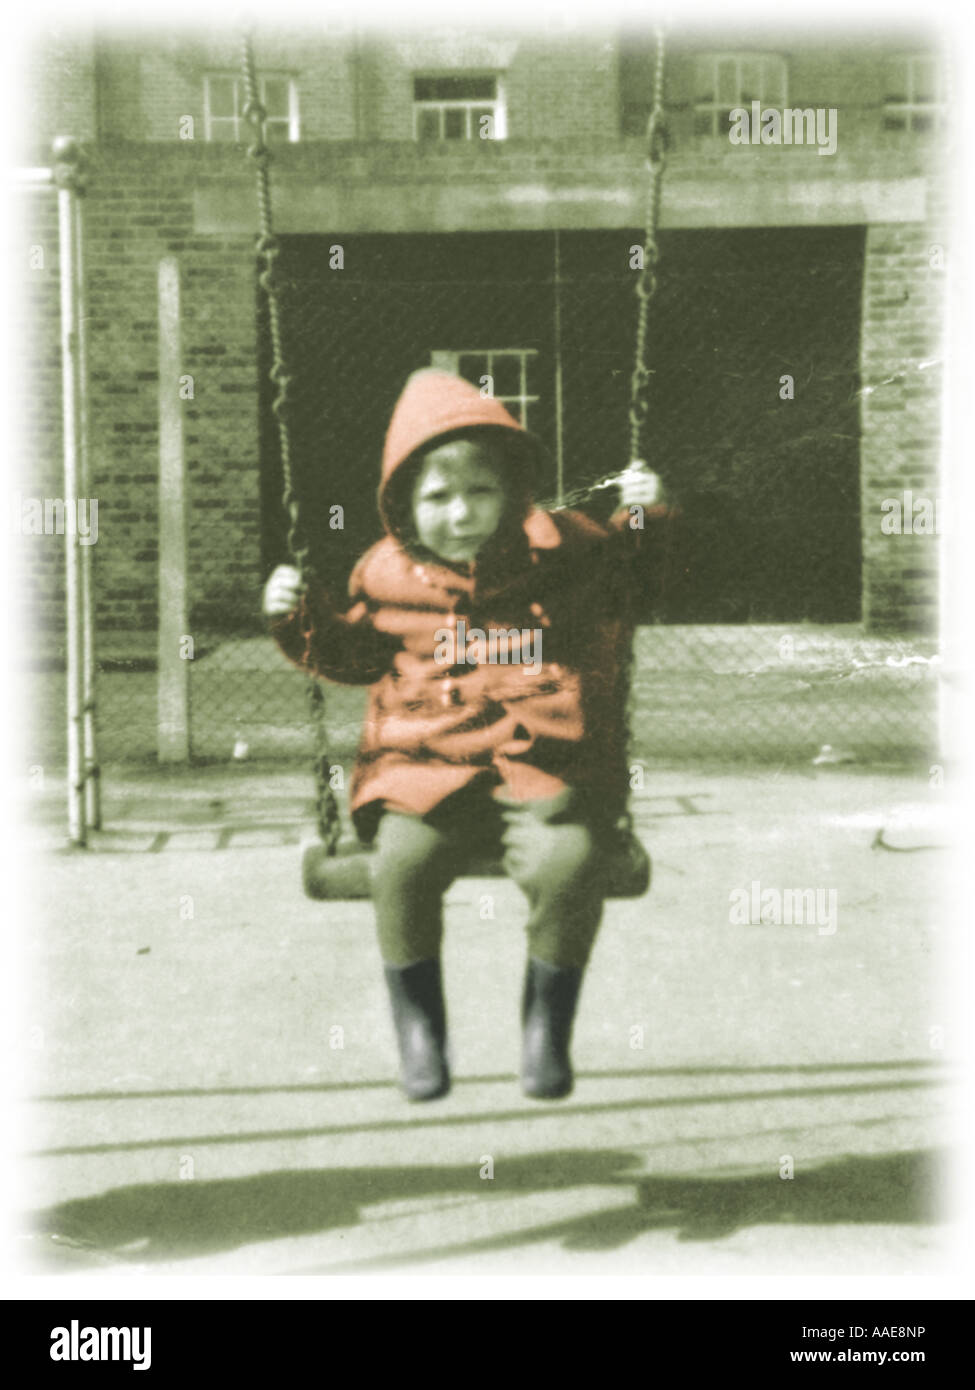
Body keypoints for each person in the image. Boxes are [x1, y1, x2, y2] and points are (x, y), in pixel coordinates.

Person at [263, 369, 673, 1103]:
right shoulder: (385, 576)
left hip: (540, 766)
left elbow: (635, 577)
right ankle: (420, 1035)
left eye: (480, 492)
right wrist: (296, 619)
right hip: (426, 769)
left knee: (571, 863)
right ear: (402, 506)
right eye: (437, 498)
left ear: (512, 492)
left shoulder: (566, 551)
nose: (461, 514)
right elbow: (349, 657)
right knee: (400, 864)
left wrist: (648, 519)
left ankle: (545, 1030)